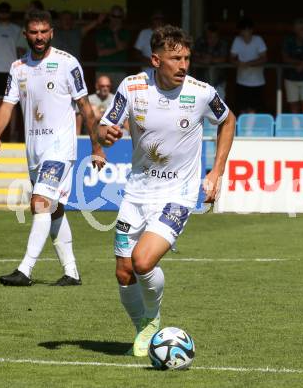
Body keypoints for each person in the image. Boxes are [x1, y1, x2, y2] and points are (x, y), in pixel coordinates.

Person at [97, 25, 235, 357]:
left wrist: (215, 173)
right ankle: (143, 325)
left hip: (179, 193)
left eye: (187, 57)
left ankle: (153, 318)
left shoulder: (201, 92)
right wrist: (106, 136)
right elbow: (102, 126)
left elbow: (229, 121)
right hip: (136, 192)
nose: (184, 65)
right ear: (156, 60)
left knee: (142, 261)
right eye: (176, 58)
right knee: (123, 270)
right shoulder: (132, 87)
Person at [0, 10, 106, 286]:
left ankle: (25, 270)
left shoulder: (67, 63)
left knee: (40, 202)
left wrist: (96, 147)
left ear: (51, 33)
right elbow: (7, 104)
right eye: (34, 32)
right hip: (34, 151)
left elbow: (85, 108)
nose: (39, 37)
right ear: (26, 34)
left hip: (60, 149)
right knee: (53, 209)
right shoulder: (18, 68)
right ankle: (72, 272)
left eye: (44, 32)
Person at [0, 2, 21, 141]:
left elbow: (20, 51)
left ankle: (13, 134)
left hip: (12, 71)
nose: (4, 14)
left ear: (10, 12)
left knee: (11, 103)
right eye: (1, 11)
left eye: (6, 11)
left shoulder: (17, 29)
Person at [230, 17, 267, 114]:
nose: (243, 33)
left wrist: (249, 64)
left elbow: (264, 58)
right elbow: (232, 59)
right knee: (242, 108)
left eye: (245, 30)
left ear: (251, 30)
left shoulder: (258, 40)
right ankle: (243, 129)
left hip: (257, 82)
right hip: (241, 81)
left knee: (253, 109)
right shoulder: (237, 40)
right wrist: (238, 63)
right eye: (241, 30)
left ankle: (249, 129)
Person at [95, 5, 131, 91]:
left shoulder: (125, 32)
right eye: (114, 16)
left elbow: (122, 46)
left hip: (119, 71)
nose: (116, 19)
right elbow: (101, 52)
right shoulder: (101, 32)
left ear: (122, 18)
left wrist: (115, 33)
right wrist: (118, 49)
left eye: (119, 16)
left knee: (120, 100)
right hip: (103, 70)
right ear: (109, 17)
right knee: (102, 101)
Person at [193, 23, 229, 100]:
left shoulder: (222, 43)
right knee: (202, 105)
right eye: (209, 37)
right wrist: (203, 61)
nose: (211, 39)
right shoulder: (200, 42)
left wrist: (211, 60)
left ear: (218, 36)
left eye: (214, 37)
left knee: (219, 107)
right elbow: (193, 57)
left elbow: (225, 58)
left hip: (219, 80)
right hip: (201, 81)